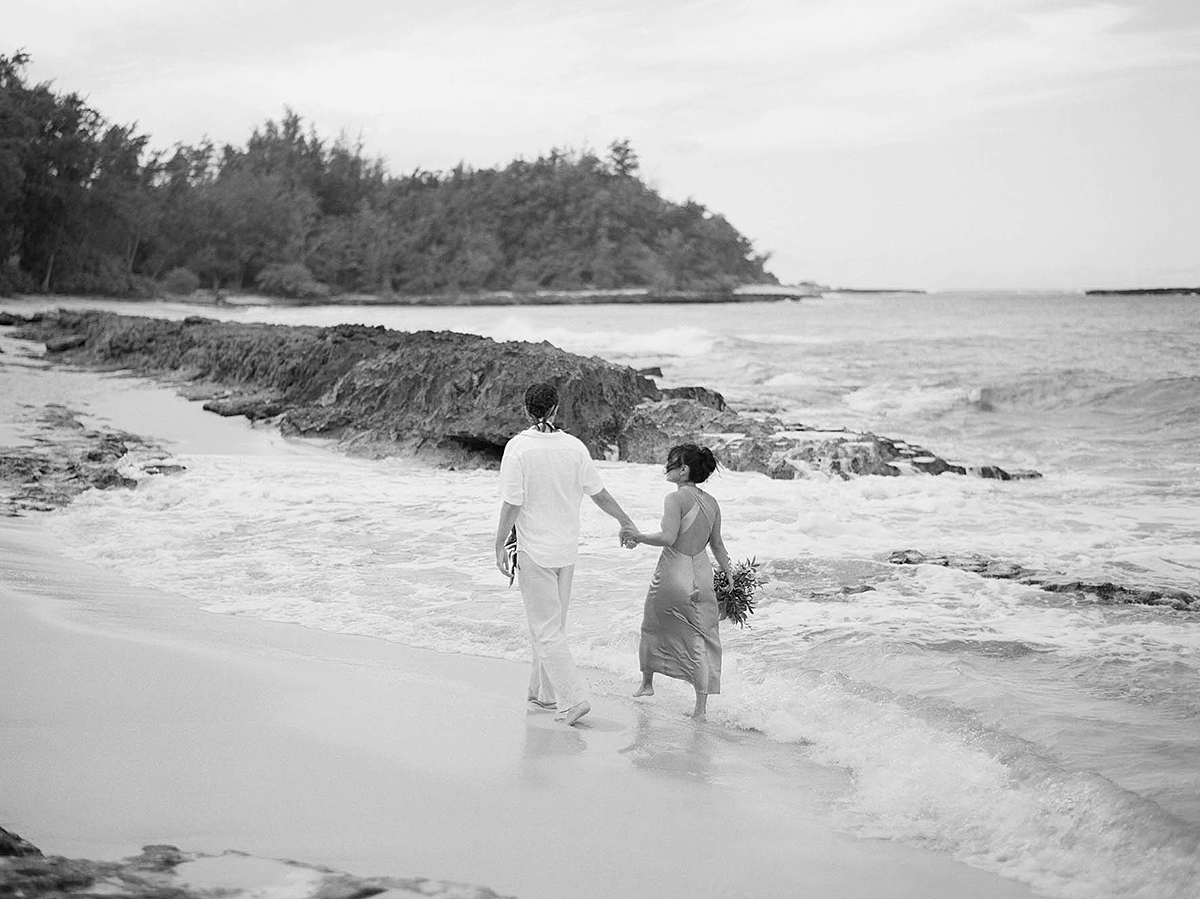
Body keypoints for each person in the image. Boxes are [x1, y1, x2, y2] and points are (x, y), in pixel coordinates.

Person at [495, 382, 636, 726]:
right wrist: (625, 521)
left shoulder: (518, 449)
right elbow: (599, 494)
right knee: (552, 626)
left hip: (535, 550)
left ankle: (572, 700)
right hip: (566, 551)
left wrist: (499, 544)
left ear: (526, 410)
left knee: (545, 629)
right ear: (557, 409)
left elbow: (513, 502)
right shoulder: (574, 448)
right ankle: (542, 692)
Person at [620, 444, 732, 720]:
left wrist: (637, 535)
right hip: (702, 572)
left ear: (684, 470)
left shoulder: (675, 499)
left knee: (653, 623)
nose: (666, 468)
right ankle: (700, 709)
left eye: (671, 463)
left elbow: (668, 537)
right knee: (700, 636)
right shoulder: (712, 502)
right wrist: (728, 571)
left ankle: (647, 684)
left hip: (674, 571)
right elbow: (716, 544)